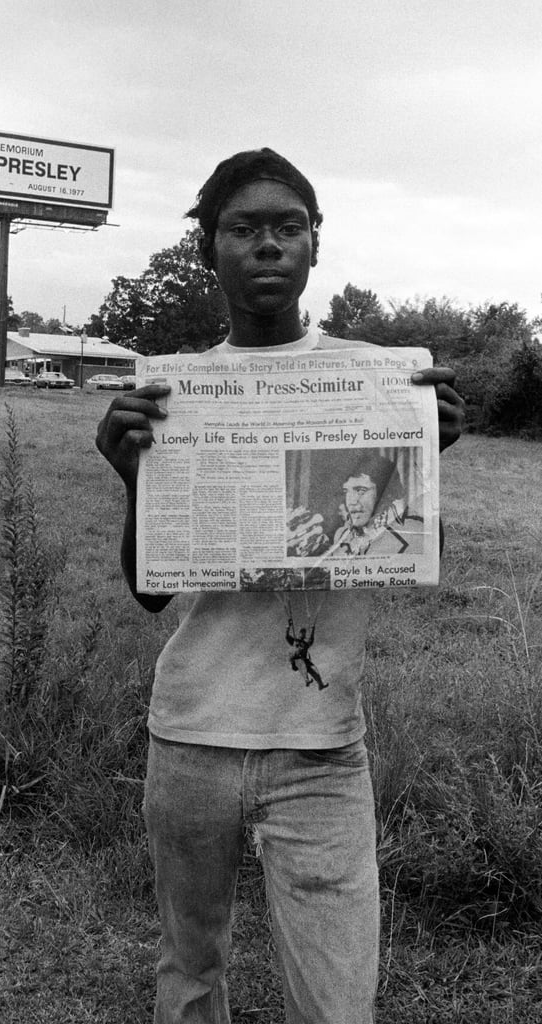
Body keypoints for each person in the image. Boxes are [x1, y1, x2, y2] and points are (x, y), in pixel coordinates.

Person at [96, 147, 465, 1024]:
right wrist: (130, 478)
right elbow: (150, 594)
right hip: (190, 734)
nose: (267, 246)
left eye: (286, 227)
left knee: (338, 1004)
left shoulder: (374, 380)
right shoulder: (174, 396)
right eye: (243, 229)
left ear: (313, 245)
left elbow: (413, 554)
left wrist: (419, 457)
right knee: (190, 974)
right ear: (209, 253)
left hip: (321, 747)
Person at [327, 452, 424, 557]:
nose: (352, 501)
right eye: (346, 492)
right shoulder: (342, 535)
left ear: (384, 494)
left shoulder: (416, 530)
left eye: (361, 490)